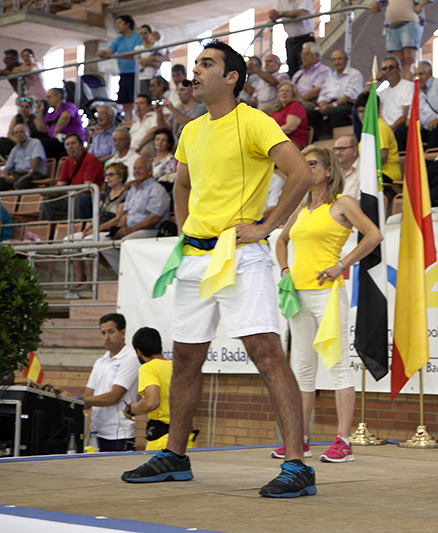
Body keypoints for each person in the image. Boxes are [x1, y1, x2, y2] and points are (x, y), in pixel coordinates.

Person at [120, 40, 316, 499]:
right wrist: (187, 226)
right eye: (196, 64)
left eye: (206, 64)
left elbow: (302, 175)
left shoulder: (253, 121)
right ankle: (175, 456)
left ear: (231, 77)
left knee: (267, 353)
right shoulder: (191, 130)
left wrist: (268, 225)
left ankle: (297, 464)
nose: (196, 71)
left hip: (240, 255)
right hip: (195, 257)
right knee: (186, 357)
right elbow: (183, 183)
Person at [275, 145, 382, 463]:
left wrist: (342, 264)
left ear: (328, 170)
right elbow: (281, 239)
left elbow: (373, 234)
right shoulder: (301, 205)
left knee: (337, 366)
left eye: (311, 164)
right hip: (299, 294)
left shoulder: (342, 203)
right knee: (302, 370)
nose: (306, 170)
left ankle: (342, 441)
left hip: (328, 293)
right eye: (302, 164)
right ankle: (301, 439)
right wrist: (284, 270)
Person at [123, 327, 198, 451]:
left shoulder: (148, 368)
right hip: (188, 440)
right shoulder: (177, 368)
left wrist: (131, 409)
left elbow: (151, 402)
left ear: (138, 351)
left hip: (163, 443)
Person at [99, 156, 169, 273]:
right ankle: (125, 274)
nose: (136, 171)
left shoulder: (157, 189)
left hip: (151, 230)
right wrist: (119, 230)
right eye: (135, 168)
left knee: (126, 243)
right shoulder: (132, 190)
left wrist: (130, 230)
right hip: (132, 230)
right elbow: (125, 215)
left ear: (149, 171)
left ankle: (131, 274)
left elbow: (154, 218)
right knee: (104, 244)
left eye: (140, 168)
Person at [82, 313, 139, 452]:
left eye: (111, 332)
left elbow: (114, 397)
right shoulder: (100, 361)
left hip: (119, 435)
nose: (106, 337)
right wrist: (67, 398)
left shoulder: (131, 358)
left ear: (123, 332)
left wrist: (81, 400)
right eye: (103, 333)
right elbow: (87, 396)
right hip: (97, 433)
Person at [68, 163, 129, 289]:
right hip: (98, 228)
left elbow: (117, 219)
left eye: (111, 174)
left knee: (88, 243)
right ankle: (80, 278)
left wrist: (95, 230)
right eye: (106, 175)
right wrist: (89, 226)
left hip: (109, 230)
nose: (107, 178)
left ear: (121, 177)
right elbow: (98, 214)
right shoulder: (106, 195)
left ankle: (91, 280)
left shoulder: (126, 194)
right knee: (68, 241)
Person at [40, 133, 105, 223]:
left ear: (81, 145)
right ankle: (45, 232)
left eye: (73, 143)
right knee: (47, 200)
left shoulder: (91, 159)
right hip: (72, 194)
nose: (70, 147)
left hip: (91, 197)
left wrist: (63, 190)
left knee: (77, 197)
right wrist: (50, 191)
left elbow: (87, 189)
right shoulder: (67, 161)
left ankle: (76, 229)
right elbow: (61, 185)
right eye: (67, 144)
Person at [307, 50, 363, 140]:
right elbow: (323, 94)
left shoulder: (355, 74)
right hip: (329, 104)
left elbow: (348, 95)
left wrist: (332, 106)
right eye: (334, 59)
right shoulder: (330, 77)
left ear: (346, 60)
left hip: (347, 104)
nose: (337, 62)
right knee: (310, 114)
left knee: (335, 112)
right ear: (331, 62)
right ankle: (316, 141)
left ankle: (336, 140)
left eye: (340, 59)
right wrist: (322, 105)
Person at [97, 15, 144, 121]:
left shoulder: (138, 37)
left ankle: (138, 121)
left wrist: (117, 55)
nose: (117, 25)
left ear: (127, 24)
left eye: (120, 22)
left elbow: (137, 54)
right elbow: (109, 51)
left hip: (136, 73)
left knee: (136, 101)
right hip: (124, 74)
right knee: (125, 102)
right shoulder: (118, 40)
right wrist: (102, 53)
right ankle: (128, 123)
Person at [370, 0, 432, 81]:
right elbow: (382, 2)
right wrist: (377, 3)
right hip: (392, 27)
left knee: (409, 59)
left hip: (409, 23)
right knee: (398, 63)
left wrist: (419, 5)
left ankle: (408, 85)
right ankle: (402, 85)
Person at [354, 92, 401, 183]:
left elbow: (382, 156)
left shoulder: (379, 127)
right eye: (360, 111)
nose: (362, 115)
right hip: (373, 174)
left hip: (386, 174)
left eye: (366, 110)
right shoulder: (368, 129)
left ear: (376, 110)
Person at [376, 56, 414, 151]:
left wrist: (389, 130)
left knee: (398, 134)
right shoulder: (382, 91)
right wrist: (372, 80)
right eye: (385, 69)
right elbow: (363, 100)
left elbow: (405, 115)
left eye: (391, 67)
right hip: (386, 129)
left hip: (400, 128)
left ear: (399, 70)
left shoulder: (408, 86)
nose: (388, 71)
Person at [268, 0, 315, 77]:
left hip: (305, 39)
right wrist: (272, 15)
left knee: (307, 68)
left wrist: (280, 14)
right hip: (291, 40)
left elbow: (301, 13)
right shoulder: (280, 1)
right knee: (292, 70)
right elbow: (274, 15)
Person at [1, 124, 47, 191]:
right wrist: (6, 176)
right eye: (16, 132)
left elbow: (36, 158)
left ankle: (20, 201)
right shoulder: (15, 149)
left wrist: (30, 172)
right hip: (18, 174)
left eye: (21, 131)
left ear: (29, 133)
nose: (19, 134)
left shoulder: (35, 142)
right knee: (1, 182)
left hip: (34, 173)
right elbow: (7, 167)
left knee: (20, 183)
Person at [290, 43, 332, 113]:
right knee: (267, 108)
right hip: (295, 101)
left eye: (307, 54)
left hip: (311, 103)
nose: (303, 57)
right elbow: (290, 89)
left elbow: (316, 92)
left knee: (294, 107)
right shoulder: (298, 73)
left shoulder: (324, 70)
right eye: (302, 54)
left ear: (316, 55)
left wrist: (296, 100)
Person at [271, 81, 309, 149]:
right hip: (278, 140)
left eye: (287, 90)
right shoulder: (277, 110)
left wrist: (271, 133)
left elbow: (290, 127)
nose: (283, 93)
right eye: (281, 90)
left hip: (292, 142)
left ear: (293, 94)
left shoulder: (295, 106)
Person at [134, 25, 167, 95]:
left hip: (155, 77)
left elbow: (167, 58)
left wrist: (151, 59)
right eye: (141, 34)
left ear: (150, 34)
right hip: (143, 78)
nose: (143, 36)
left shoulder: (158, 46)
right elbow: (141, 61)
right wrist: (154, 60)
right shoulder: (137, 48)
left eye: (145, 33)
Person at [333, 134, 361, 199]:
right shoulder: (333, 170)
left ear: (354, 150)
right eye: (335, 149)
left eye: (341, 149)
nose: (337, 152)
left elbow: (363, 201)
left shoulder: (365, 170)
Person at [151, 128, 178, 193]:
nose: (160, 142)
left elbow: (168, 179)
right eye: (157, 139)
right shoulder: (150, 160)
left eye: (164, 140)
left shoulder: (170, 160)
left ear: (169, 144)